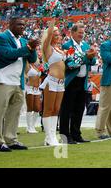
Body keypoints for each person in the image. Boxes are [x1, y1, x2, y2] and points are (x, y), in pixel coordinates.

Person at [0, 18, 39, 152]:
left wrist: (32, 48)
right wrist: (27, 48)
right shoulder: (2, 37)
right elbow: (7, 54)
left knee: (14, 113)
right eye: (19, 24)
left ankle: (11, 139)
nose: (22, 27)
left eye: (24, 25)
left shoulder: (23, 41)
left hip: (18, 81)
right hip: (3, 80)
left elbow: (33, 59)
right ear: (10, 25)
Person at [60, 23, 97, 144]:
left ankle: (76, 134)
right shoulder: (67, 45)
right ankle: (65, 135)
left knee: (79, 109)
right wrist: (87, 57)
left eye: (83, 33)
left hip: (82, 80)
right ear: (72, 33)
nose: (81, 35)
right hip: (71, 81)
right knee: (67, 109)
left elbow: (93, 61)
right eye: (79, 33)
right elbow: (71, 64)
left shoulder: (85, 45)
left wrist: (91, 57)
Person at [40, 18, 67, 146]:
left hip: (61, 82)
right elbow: (49, 34)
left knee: (56, 109)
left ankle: (51, 137)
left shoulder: (58, 48)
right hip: (51, 81)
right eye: (55, 34)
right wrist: (52, 23)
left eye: (58, 34)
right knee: (48, 109)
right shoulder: (47, 47)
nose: (57, 36)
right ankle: (49, 136)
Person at [25, 60, 42, 133]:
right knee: (30, 107)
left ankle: (32, 126)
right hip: (29, 88)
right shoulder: (27, 65)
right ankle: (29, 127)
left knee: (37, 108)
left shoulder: (37, 66)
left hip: (37, 89)